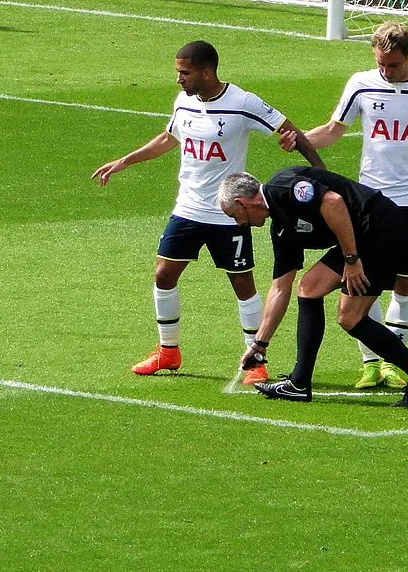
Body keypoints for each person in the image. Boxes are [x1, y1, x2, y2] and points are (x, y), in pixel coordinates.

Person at [91, 40, 323, 384]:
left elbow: (291, 131)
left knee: (242, 284)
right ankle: (168, 351)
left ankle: (256, 360)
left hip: (227, 213)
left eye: (184, 72)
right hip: (187, 207)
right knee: (163, 275)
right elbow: (169, 138)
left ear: (206, 71)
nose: (178, 79)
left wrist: (320, 175)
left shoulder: (242, 103)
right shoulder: (183, 102)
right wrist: (125, 161)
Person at [281, 22, 408, 390]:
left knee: (404, 282)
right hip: (369, 204)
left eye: (392, 65)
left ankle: (396, 360)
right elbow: (333, 130)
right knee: (360, 277)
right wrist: (299, 140)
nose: (386, 71)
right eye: (380, 63)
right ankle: (371, 362)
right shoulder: (361, 83)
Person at [217, 167, 408, 409]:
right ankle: (299, 384)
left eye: (235, 215)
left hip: (380, 229)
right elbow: (280, 288)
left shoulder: (282, 187)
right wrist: (259, 344)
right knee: (308, 288)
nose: (239, 223)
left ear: (243, 202)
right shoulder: (282, 229)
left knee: (350, 317)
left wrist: (351, 259)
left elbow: (333, 202)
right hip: (363, 238)